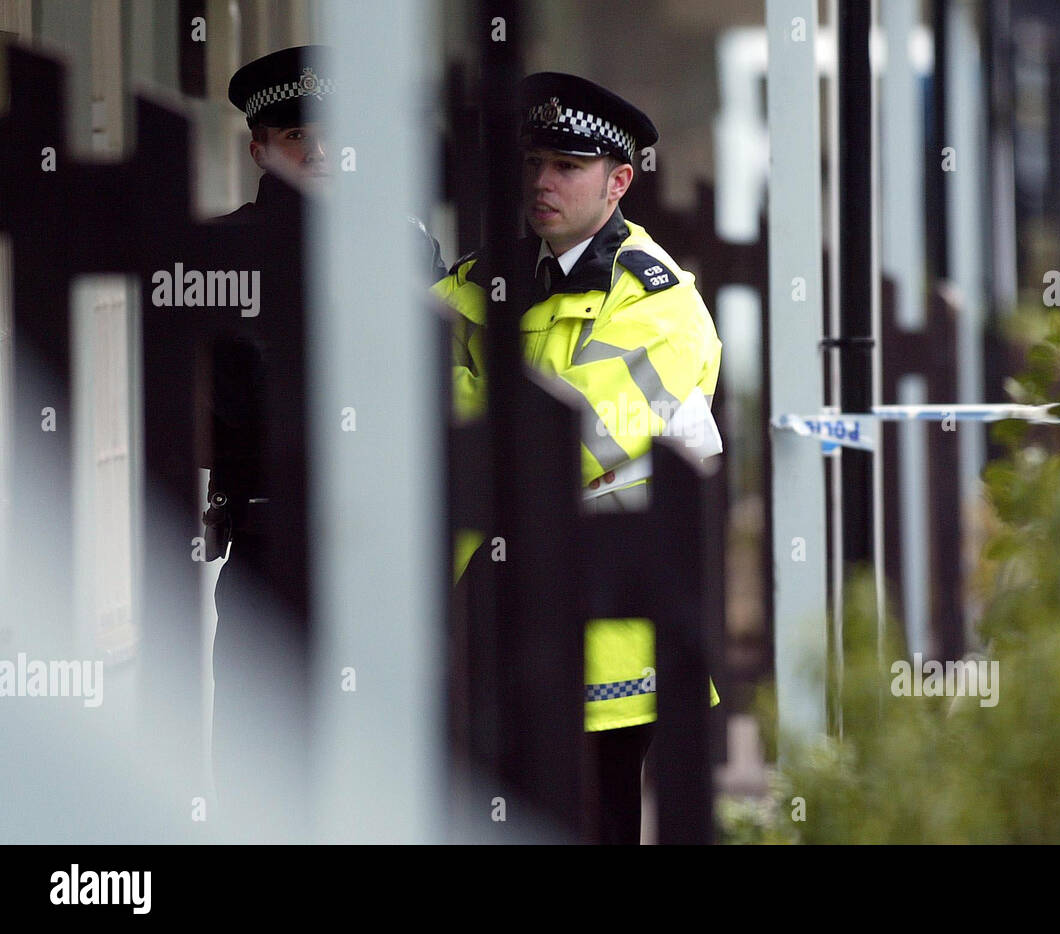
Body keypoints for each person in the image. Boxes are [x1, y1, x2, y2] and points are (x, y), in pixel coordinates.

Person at [435, 72, 723, 844]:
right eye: (533, 162)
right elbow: (422, 408)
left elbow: (582, 432)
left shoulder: (661, 301)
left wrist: (480, 409)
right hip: (482, 619)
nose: (541, 181)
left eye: (566, 166)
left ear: (618, 180)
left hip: (606, 645)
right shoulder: (475, 280)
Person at [204, 45, 443, 834]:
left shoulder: (407, 243)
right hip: (272, 529)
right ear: (259, 148)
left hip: (384, 542)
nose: (320, 149)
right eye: (295, 132)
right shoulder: (224, 249)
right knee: (262, 747)